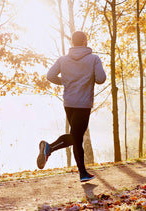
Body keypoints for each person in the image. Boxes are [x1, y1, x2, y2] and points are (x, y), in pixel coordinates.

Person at [37, 31, 106, 182]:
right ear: (85, 42)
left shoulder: (63, 60)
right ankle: (51, 148)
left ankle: (81, 172)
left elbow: (50, 76)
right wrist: (87, 77)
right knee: (76, 137)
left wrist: (66, 81)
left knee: (76, 137)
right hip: (83, 104)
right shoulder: (93, 59)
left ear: (73, 43)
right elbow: (101, 79)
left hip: (68, 103)